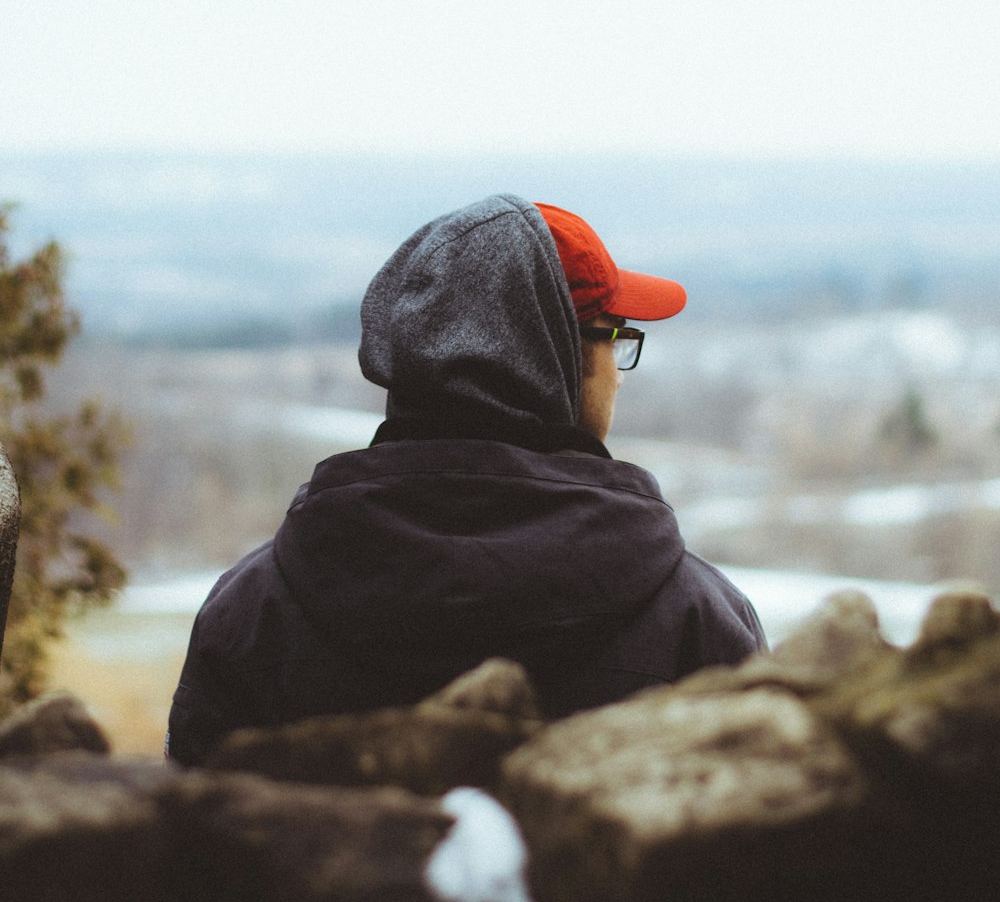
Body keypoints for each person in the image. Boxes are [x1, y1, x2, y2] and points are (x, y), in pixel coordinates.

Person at [166, 194, 764, 764]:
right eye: (616, 336)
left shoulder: (253, 609)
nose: (621, 375)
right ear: (553, 356)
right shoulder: (695, 616)